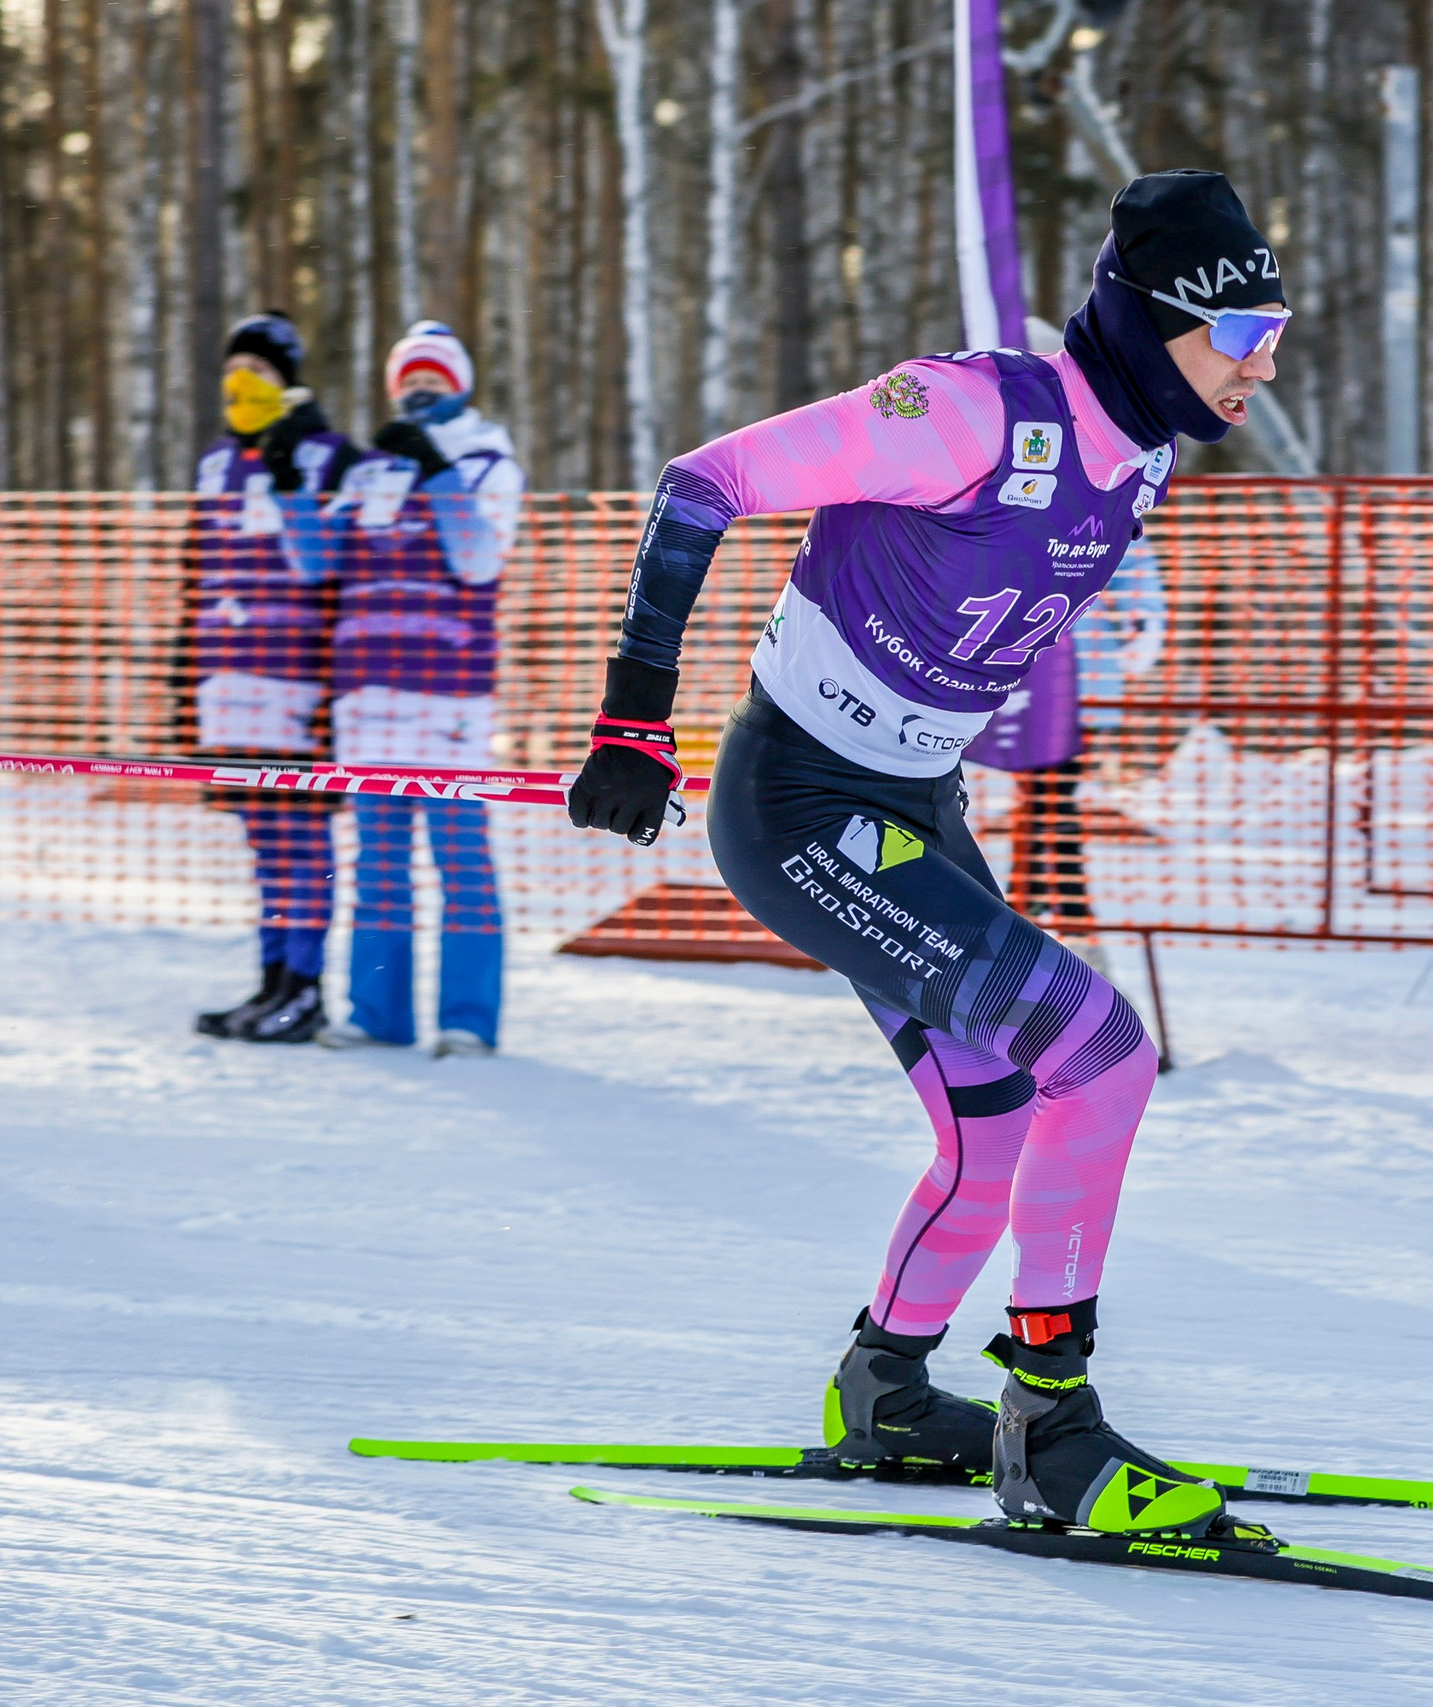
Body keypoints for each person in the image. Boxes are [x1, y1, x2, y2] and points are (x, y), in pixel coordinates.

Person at [567, 171, 1288, 1536]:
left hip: (914, 806)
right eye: (1240, 335)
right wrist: (632, 718)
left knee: (998, 1119)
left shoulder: (1143, 455)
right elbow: (704, 483)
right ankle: (1051, 1424)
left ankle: (884, 1390)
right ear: (1152, 322)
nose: (1261, 366)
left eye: (1276, 335)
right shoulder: (966, 412)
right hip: (802, 807)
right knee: (1101, 1054)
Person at [314, 322, 525, 1056]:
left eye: (434, 379)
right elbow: (317, 563)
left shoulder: (487, 459)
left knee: (459, 857)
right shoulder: (372, 469)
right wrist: (299, 477)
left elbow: (477, 559)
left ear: (460, 385)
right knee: (377, 862)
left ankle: (468, 1018)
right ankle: (377, 1013)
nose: (420, 392)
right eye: (409, 381)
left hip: (448, 697)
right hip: (368, 693)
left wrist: (435, 471)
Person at [188, 312, 361, 1044]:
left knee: (302, 838)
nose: (241, 383)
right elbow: (199, 569)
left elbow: (329, 565)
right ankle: (271, 982)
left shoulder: (329, 455)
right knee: (264, 841)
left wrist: (290, 473)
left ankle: (305, 987)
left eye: (257, 370)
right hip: (229, 682)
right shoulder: (215, 462)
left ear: (286, 377)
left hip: (300, 682)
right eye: (232, 370)